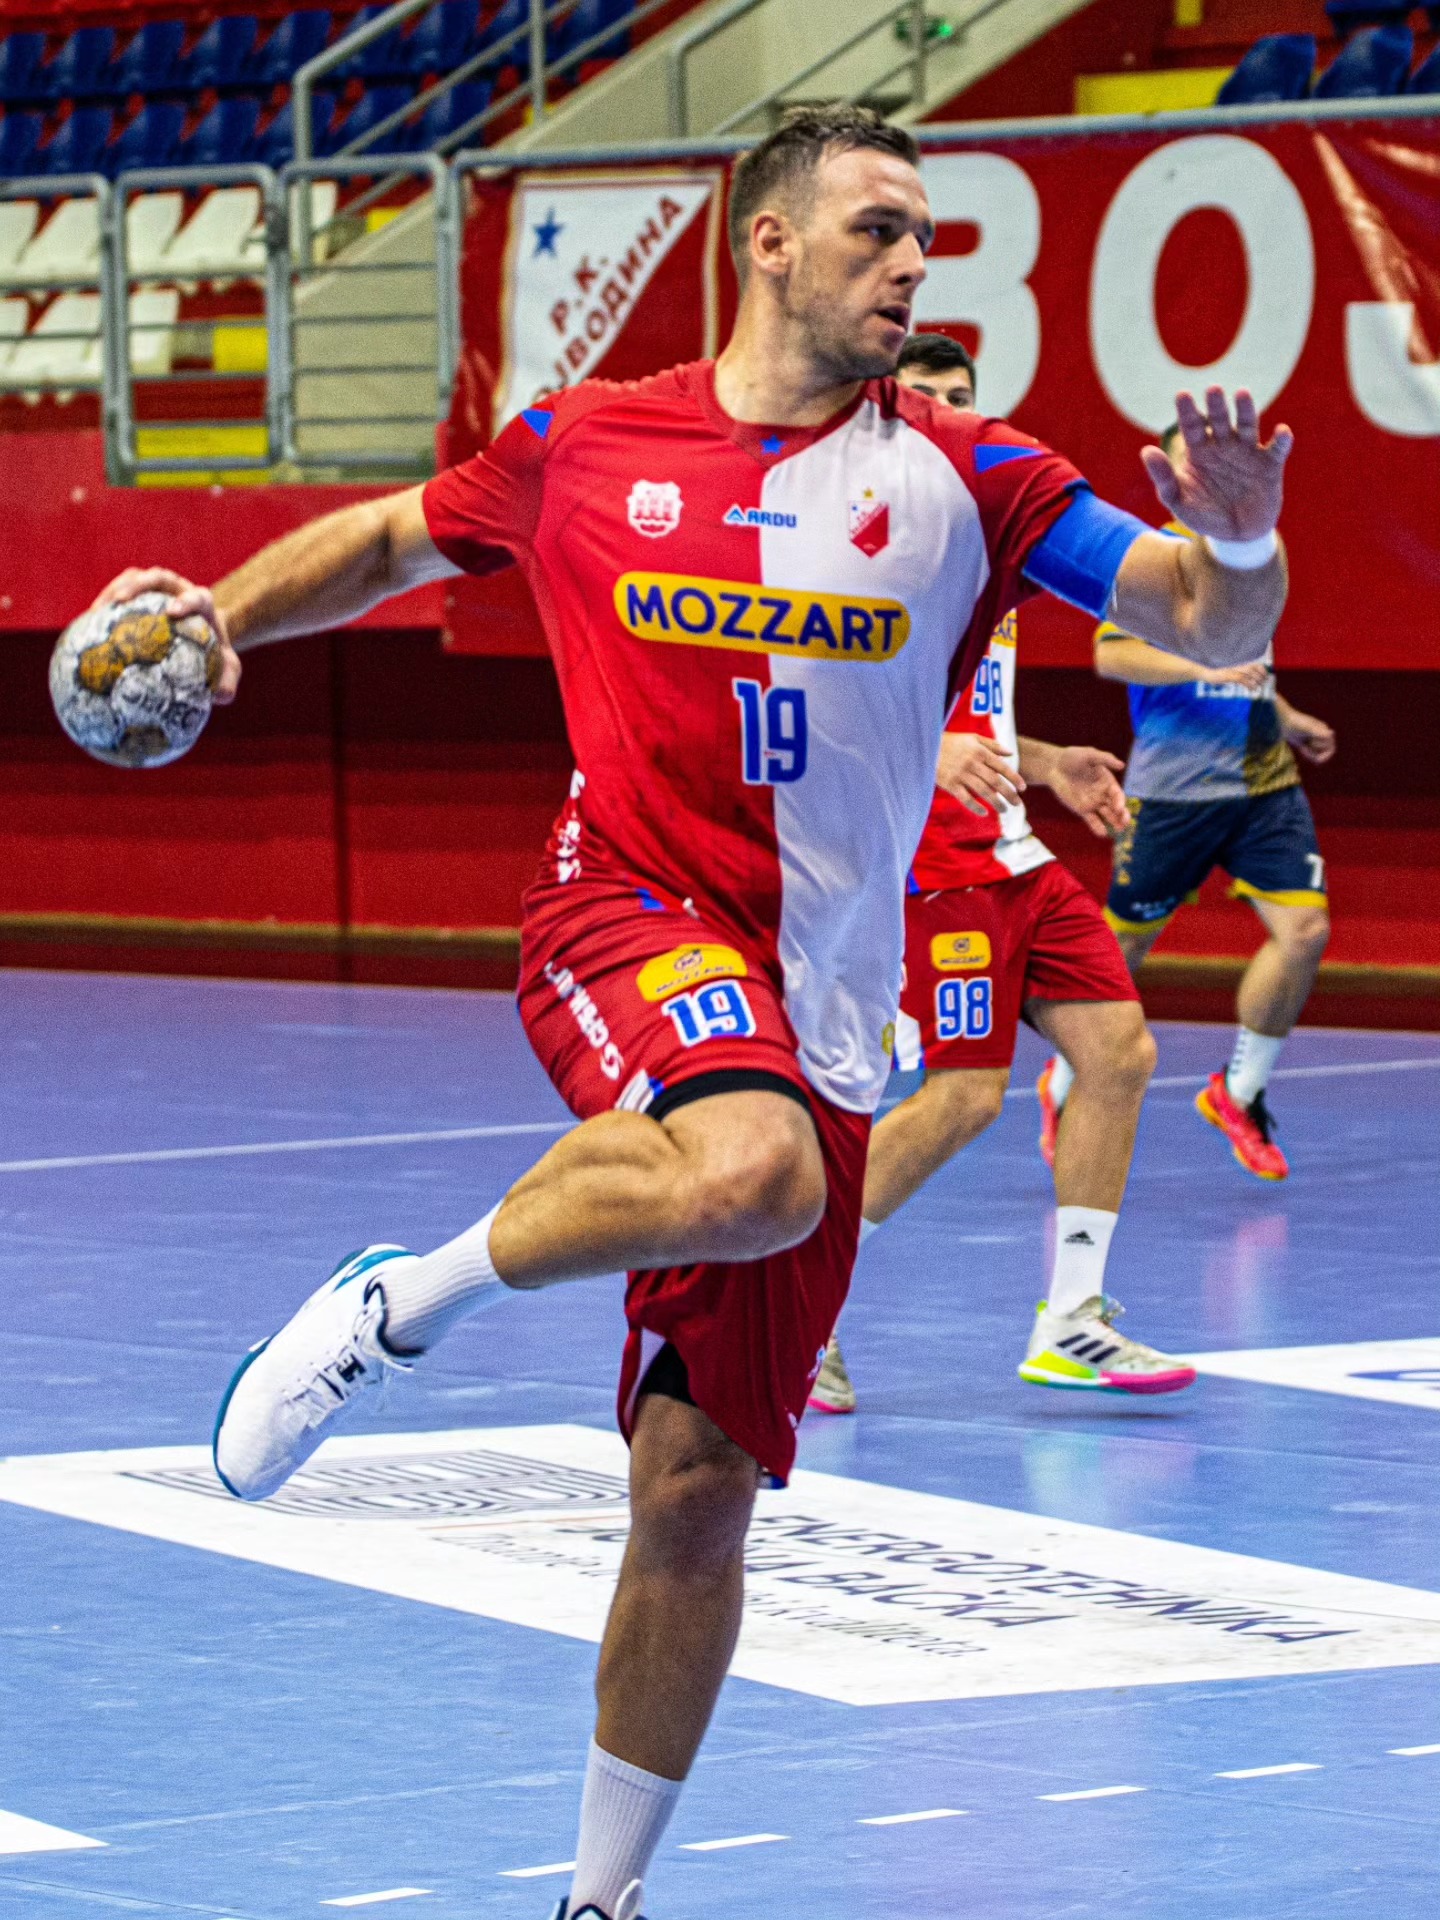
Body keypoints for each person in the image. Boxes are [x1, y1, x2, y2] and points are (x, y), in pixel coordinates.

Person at [93, 108, 1292, 1920]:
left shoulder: (977, 479)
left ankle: (602, 1901)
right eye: (878, 229)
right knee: (756, 1174)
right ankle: (398, 1307)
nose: (912, 263)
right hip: (629, 907)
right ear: (769, 243)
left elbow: (1197, 610)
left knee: (698, 1486)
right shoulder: (588, 443)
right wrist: (218, 618)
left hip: (828, 1000)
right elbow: (396, 539)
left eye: (926, 237)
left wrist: (1246, 538)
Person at [809, 334, 1193, 1422]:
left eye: (960, 395)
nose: (944, 407)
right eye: (922, 392)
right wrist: (927, 751)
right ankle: (798, 1303)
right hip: (927, 855)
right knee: (963, 1097)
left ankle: (1072, 1318)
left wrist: (1050, 761)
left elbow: (974, 711)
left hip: (1012, 847)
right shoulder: (844, 539)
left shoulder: (992, 528)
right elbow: (802, 687)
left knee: (1118, 1051)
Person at [1060, 424, 1332, 1182]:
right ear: (1172, 474)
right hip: (1173, 793)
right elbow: (1110, 654)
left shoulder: (1253, 552)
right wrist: (1202, 662)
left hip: (1263, 784)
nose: (1208, 470)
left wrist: (1286, 716)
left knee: (1305, 933)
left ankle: (1238, 1093)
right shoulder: (1155, 558)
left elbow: (1252, 670)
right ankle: (1066, 1080)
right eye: (1192, 459)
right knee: (1121, 953)